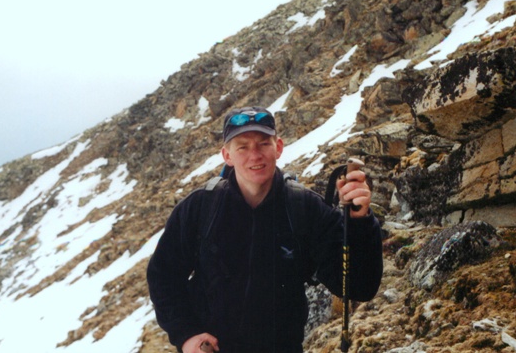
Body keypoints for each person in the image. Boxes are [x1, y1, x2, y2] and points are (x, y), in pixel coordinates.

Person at [147, 106, 383, 353]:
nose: (255, 155)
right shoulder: (200, 208)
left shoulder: (305, 209)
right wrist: (187, 335)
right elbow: (163, 276)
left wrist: (360, 222)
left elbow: (359, 287)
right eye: (243, 147)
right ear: (227, 155)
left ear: (278, 147)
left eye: (263, 144)